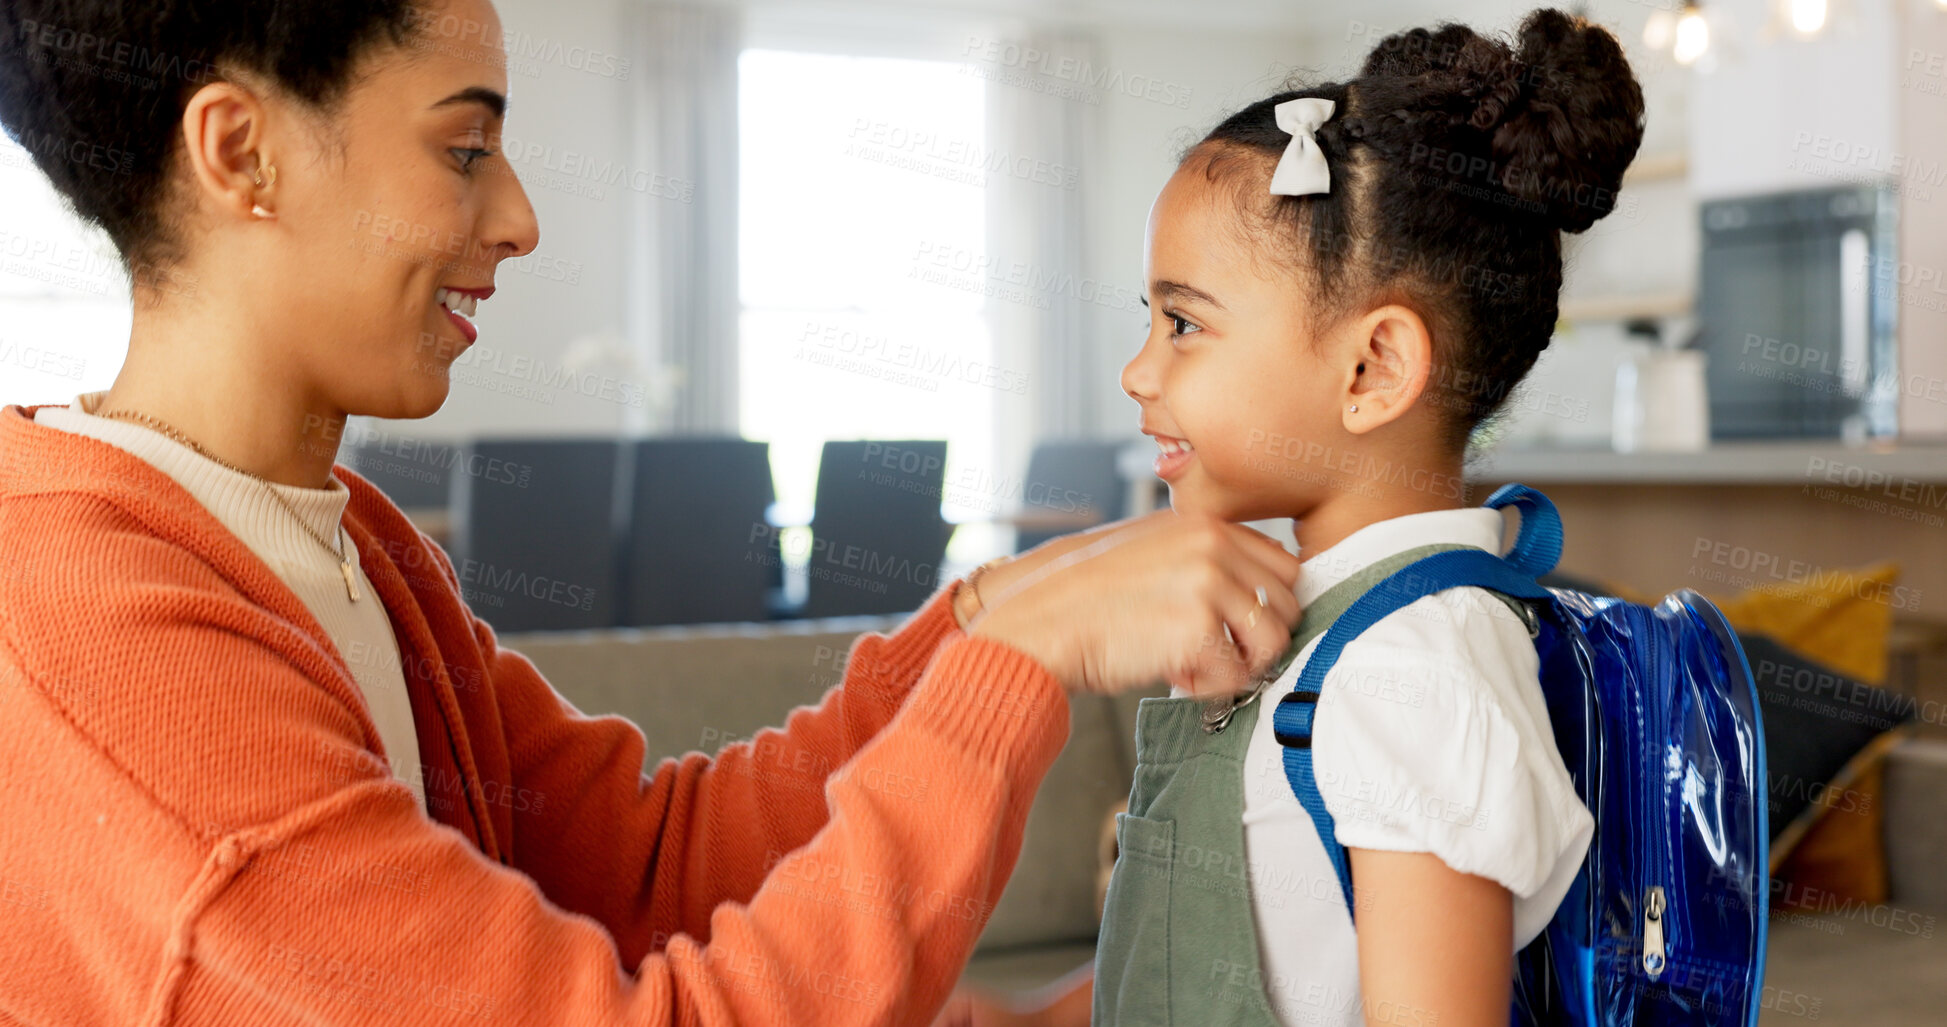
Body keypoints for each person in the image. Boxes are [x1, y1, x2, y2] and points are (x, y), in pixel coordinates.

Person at [0, 1, 1307, 1023]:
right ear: (243, 152)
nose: (516, 217)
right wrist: (1013, 671)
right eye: (462, 149)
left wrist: (984, 617)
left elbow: (654, 861)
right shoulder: (106, 644)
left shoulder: (357, 548)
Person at [942, 9, 1644, 1026]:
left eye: (1183, 323)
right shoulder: (1330, 631)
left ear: (1374, 368)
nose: (1139, 370)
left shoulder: (1416, 669)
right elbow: (1263, 953)